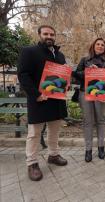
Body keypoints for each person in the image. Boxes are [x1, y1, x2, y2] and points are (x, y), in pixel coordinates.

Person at [17, 25, 68, 181]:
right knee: (34, 134)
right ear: (39, 34)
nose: (49, 36)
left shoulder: (60, 55)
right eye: (46, 33)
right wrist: (36, 94)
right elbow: (23, 75)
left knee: (54, 131)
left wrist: (66, 79)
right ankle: (32, 163)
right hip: (38, 100)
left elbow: (61, 78)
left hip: (56, 101)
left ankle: (53, 154)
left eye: (52, 34)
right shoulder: (29, 51)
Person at [72, 38, 105, 162]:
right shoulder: (85, 60)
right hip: (85, 93)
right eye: (98, 44)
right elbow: (75, 76)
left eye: (102, 45)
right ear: (93, 46)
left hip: (101, 94)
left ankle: (101, 147)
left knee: (100, 121)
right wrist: (88, 71)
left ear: (104, 48)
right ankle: (88, 150)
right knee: (88, 122)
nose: (100, 46)